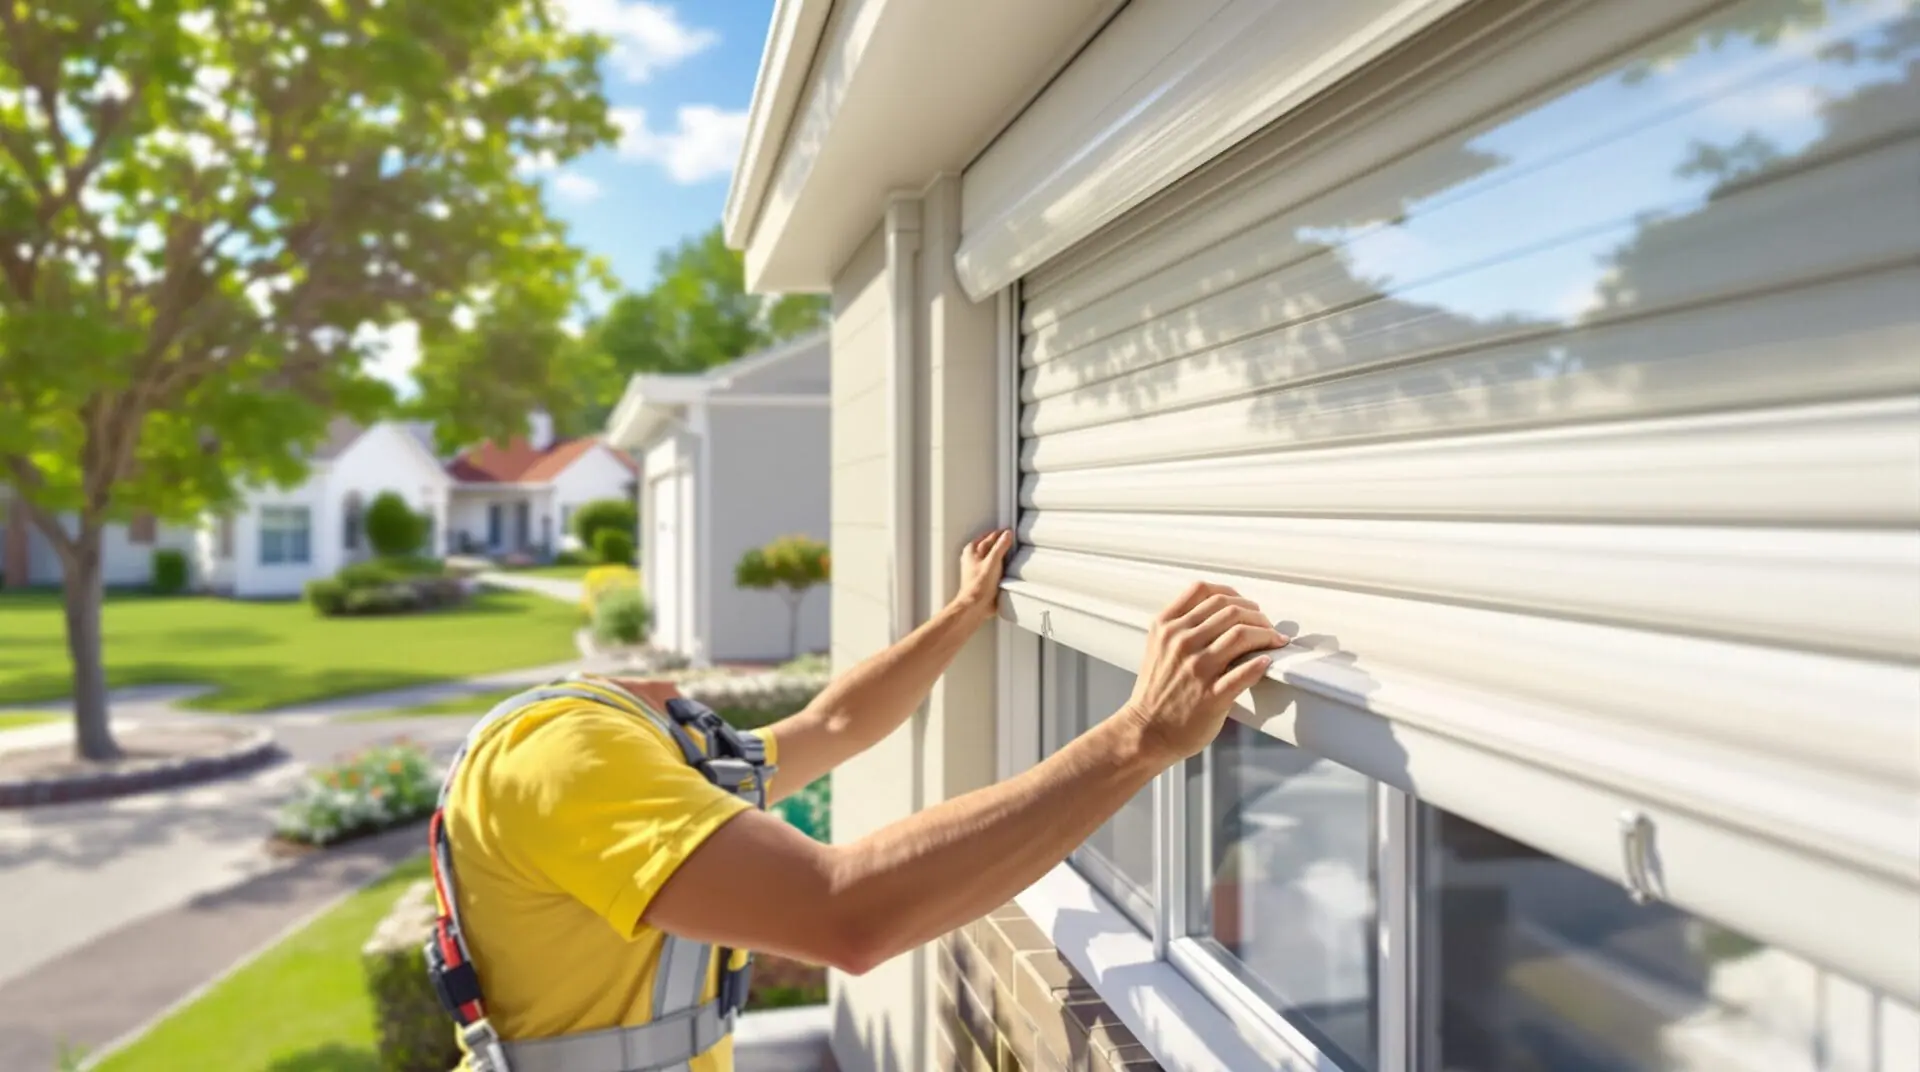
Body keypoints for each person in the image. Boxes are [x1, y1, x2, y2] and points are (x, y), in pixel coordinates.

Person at [435, 527, 1286, 1071]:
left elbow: (835, 722)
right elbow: (842, 914)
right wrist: (1139, 734)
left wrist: (963, 614)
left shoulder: (645, 754)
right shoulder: (572, 759)